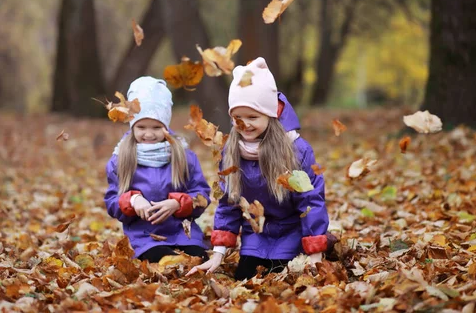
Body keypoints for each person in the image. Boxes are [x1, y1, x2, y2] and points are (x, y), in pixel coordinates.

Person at [187, 58, 329, 280]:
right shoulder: (231, 150)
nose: (245, 125)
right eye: (238, 118)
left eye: (253, 117)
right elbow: (229, 202)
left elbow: (310, 201)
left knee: (281, 279)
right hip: (255, 234)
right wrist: (218, 252)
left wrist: (315, 253)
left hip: (292, 231)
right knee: (246, 278)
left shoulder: (295, 150)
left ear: (270, 115)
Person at [104, 77, 211, 263]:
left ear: (166, 126)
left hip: (182, 231)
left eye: (156, 127)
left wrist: (178, 204)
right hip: (144, 235)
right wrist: (133, 200)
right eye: (141, 127)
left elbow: (202, 196)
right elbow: (112, 202)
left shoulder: (183, 156)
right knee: (161, 259)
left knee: (196, 257)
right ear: (132, 125)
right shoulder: (121, 159)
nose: (149, 134)